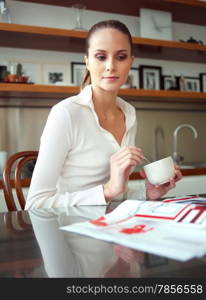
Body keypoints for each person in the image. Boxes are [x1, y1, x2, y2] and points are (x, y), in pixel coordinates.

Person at [25, 20, 182, 209]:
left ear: (131, 62)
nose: (111, 66)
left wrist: (147, 193)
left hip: (114, 230)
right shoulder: (66, 114)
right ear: (87, 61)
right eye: (101, 57)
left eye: (121, 57)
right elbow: (35, 204)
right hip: (71, 233)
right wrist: (107, 190)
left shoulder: (129, 114)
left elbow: (116, 197)